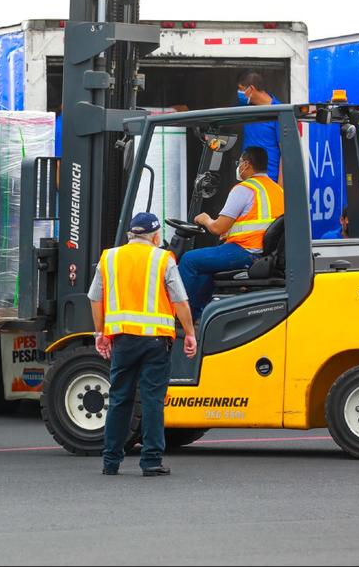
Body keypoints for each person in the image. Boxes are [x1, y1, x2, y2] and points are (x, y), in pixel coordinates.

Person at [89, 212, 197, 477]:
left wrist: (99, 333)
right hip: (155, 342)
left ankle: (110, 461)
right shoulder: (163, 258)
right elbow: (180, 300)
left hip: (123, 340)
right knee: (151, 399)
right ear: (156, 235)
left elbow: (94, 298)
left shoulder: (109, 258)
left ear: (130, 234)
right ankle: (150, 461)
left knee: (119, 398)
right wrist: (190, 333)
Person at [180, 146, 285, 321]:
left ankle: (180, 317)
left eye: (240, 163)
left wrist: (205, 219)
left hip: (246, 251)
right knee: (206, 267)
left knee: (189, 260)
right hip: (265, 252)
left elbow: (217, 228)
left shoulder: (244, 189)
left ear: (246, 164)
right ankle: (198, 316)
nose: (239, 167)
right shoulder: (277, 190)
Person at [237, 70, 283, 184]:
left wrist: (280, 187)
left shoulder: (279, 112)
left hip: (269, 181)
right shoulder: (247, 108)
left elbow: (285, 153)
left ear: (251, 89)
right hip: (248, 179)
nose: (238, 94)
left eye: (240, 89)